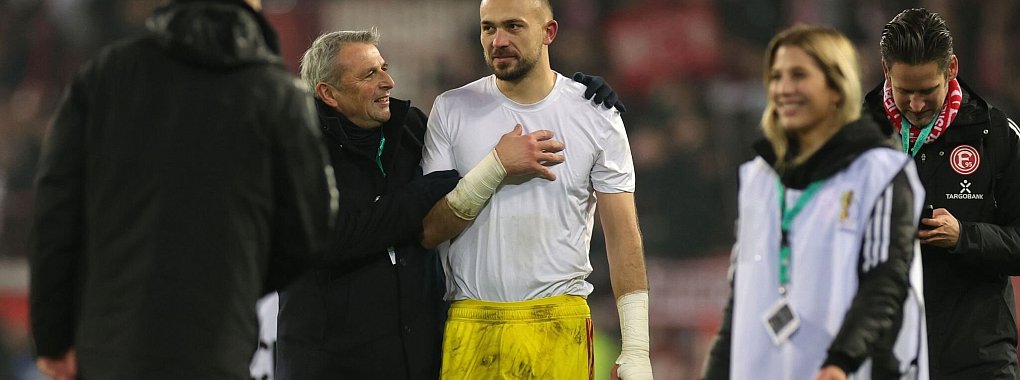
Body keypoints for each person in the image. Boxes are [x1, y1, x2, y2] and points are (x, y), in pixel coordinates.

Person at [273, 28, 624, 380]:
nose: (388, 81)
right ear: (328, 94)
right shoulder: (295, 149)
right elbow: (333, 238)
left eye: (384, 67)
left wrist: (570, 95)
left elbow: (474, 151)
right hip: (329, 366)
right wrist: (420, 194)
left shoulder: (407, 128)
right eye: (370, 74)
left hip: (416, 361)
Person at [29, 0, 335, 379]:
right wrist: (239, 278)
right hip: (218, 347)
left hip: (110, 349)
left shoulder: (106, 76)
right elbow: (311, 226)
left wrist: (53, 339)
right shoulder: (279, 94)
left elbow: (55, 213)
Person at [419, 0, 652, 378]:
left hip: (560, 324)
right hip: (471, 324)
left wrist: (637, 347)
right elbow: (430, 229)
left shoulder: (596, 114)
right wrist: (495, 167)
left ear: (549, 33)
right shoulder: (451, 110)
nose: (498, 40)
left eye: (513, 26)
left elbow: (623, 235)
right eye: (488, 28)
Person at [702, 24, 927, 380]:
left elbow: (885, 284)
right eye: (775, 77)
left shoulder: (879, 173)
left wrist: (841, 361)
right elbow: (740, 299)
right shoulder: (758, 179)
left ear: (836, 87)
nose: (783, 89)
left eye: (799, 75)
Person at [862, 8, 1020, 379]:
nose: (916, 105)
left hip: (978, 358)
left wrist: (965, 236)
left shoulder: (996, 135)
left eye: (927, 91)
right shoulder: (858, 139)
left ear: (951, 68)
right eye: (905, 91)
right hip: (887, 355)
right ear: (886, 72)